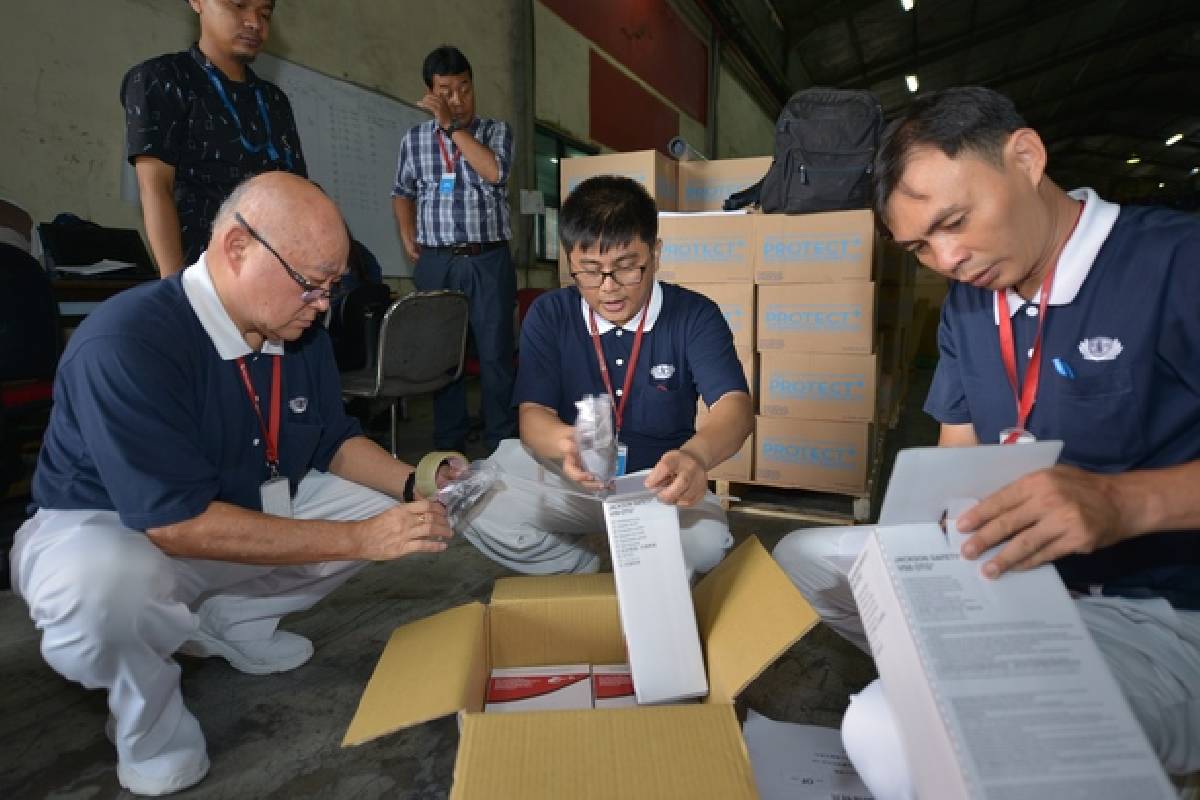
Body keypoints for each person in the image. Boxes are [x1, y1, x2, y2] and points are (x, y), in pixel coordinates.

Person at [773, 86, 1200, 796]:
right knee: (804, 557)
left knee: (885, 729)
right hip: (1021, 583)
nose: (947, 258)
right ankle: (986, 691)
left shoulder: (1176, 265)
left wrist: (1126, 503)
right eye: (919, 247)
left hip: (1160, 611)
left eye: (956, 221)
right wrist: (927, 553)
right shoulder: (972, 305)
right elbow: (957, 458)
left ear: (1025, 157)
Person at [9, 173, 457, 796]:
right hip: (113, 528)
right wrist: (359, 539)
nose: (323, 303)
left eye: (331, 287)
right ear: (238, 248)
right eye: (310, 283)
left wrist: (417, 483)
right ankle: (152, 726)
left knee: (389, 509)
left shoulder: (296, 329)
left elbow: (331, 440)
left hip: (235, 502)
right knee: (103, 591)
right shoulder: (129, 341)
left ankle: (232, 622)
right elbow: (172, 522)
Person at [459, 176, 754, 578]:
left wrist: (695, 457)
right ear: (570, 264)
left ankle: (640, 568)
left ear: (656, 253)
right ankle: (583, 572)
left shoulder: (694, 315)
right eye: (591, 272)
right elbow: (532, 416)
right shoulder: (550, 315)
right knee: (474, 500)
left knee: (705, 543)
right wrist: (570, 445)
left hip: (660, 482)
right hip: (571, 479)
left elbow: (734, 408)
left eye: (626, 268)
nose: (609, 289)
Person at [391, 45, 516, 454]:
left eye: (465, 88)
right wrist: (408, 232)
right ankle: (449, 443)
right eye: (446, 91)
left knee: (496, 355)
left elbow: (494, 172)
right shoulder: (414, 141)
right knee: (443, 356)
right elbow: (401, 192)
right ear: (430, 93)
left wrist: (452, 130)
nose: (458, 99)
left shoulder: (496, 132)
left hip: (488, 259)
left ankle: (502, 443)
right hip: (437, 262)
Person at [122, 0, 306, 276]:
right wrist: (176, 291)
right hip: (205, 279)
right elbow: (156, 190)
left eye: (264, 14)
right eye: (238, 5)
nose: (254, 23)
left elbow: (297, 196)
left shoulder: (274, 101)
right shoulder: (162, 79)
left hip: (274, 280)